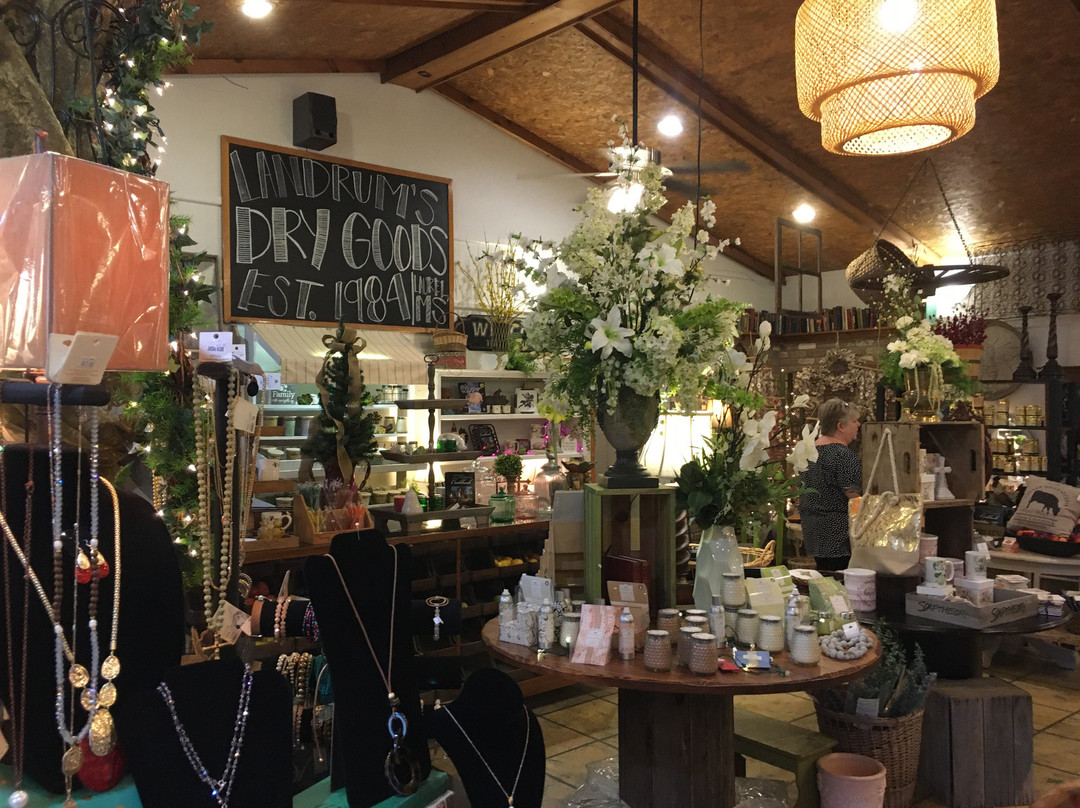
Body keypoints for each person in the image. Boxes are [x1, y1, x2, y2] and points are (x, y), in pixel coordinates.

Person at [798, 398, 862, 572]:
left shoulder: (808, 452)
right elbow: (855, 498)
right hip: (839, 536)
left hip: (813, 531)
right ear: (840, 426)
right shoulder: (843, 455)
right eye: (854, 421)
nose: (858, 425)